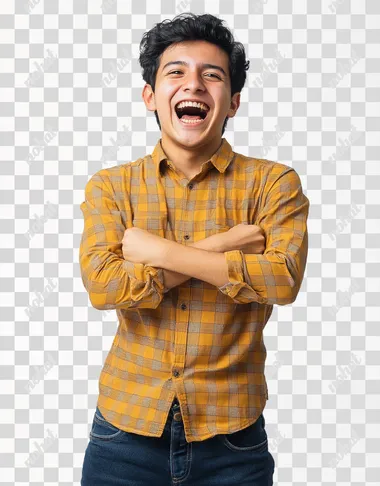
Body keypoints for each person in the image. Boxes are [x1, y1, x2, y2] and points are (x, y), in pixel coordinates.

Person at [79, 12, 309, 485]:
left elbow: (282, 280)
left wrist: (151, 251)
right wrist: (227, 245)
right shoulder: (111, 186)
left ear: (234, 102)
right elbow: (104, 287)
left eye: (212, 75)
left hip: (233, 442)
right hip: (123, 434)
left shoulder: (273, 184)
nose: (195, 84)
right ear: (151, 97)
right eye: (176, 72)